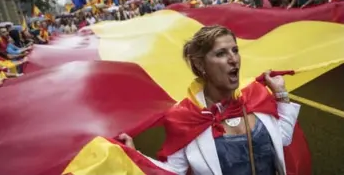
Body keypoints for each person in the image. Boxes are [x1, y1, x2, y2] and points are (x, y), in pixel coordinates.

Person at [119, 25, 305, 175]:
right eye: (221, 53)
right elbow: (173, 171)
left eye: (235, 50)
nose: (234, 59)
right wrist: (136, 157)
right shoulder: (185, 117)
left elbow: (281, 138)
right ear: (200, 65)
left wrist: (280, 93)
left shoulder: (255, 95)